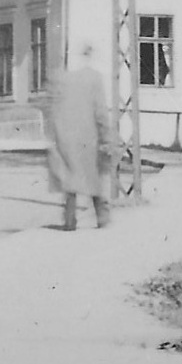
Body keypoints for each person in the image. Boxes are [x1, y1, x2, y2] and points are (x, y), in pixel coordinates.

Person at [46, 43, 117, 230]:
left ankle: (69, 221)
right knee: (93, 177)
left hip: (65, 135)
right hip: (88, 135)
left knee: (70, 178)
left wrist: (54, 135)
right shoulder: (94, 78)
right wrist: (106, 137)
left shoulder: (60, 78)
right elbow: (100, 111)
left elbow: (51, 108)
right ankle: (102, 219)